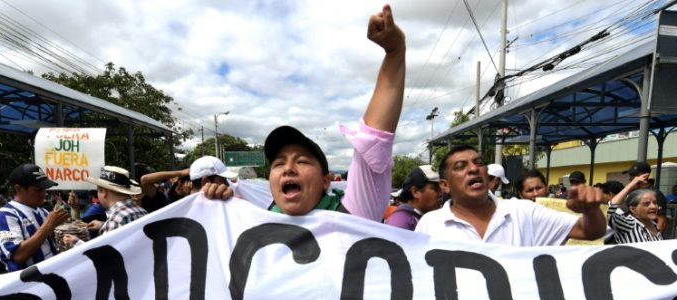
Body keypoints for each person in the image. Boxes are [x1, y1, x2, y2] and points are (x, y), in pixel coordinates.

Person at [202, 4, 405, 222]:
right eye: (278, 164)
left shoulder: (354, 215)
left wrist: (394, 52)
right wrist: (217, 209)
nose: (288, 169)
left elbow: (373, 138)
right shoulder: (260, 220)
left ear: (326, 181)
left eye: (302, 161)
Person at [415, 145, 606, 245]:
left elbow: (590, 231)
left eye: (479, 163)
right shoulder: (429, 224)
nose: (473, 169)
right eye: (460, 166)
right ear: (445, 185)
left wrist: (591, 211)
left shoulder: (524, 213)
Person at [0, 164, 68, 271]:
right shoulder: (5, 216)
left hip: (52, 274)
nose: (44, 194)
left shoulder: (42, 211)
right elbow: (18, 256)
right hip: (28, 283)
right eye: (38, 190)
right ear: (18, 189)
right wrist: (48, 226)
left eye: (44, 189)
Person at [85, 166, 148, 234]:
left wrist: (75, 241)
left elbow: (108, 244)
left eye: (98, 190)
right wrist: (103, 225)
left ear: (103, 191)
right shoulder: (142, 211)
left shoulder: (116, 219)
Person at [607, 172, 661, 243]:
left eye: (654, 202)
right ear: (633, 209)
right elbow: (611, 208)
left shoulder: (655, 225)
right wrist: (632, 184)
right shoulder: (628, 224)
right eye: (646, 204)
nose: (653, 206)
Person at [385, 165, 442, 230]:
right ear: (415, 192)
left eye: (441, 189)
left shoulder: (416, 217)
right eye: (435, 189)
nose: (441, 194)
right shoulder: (400, 222)